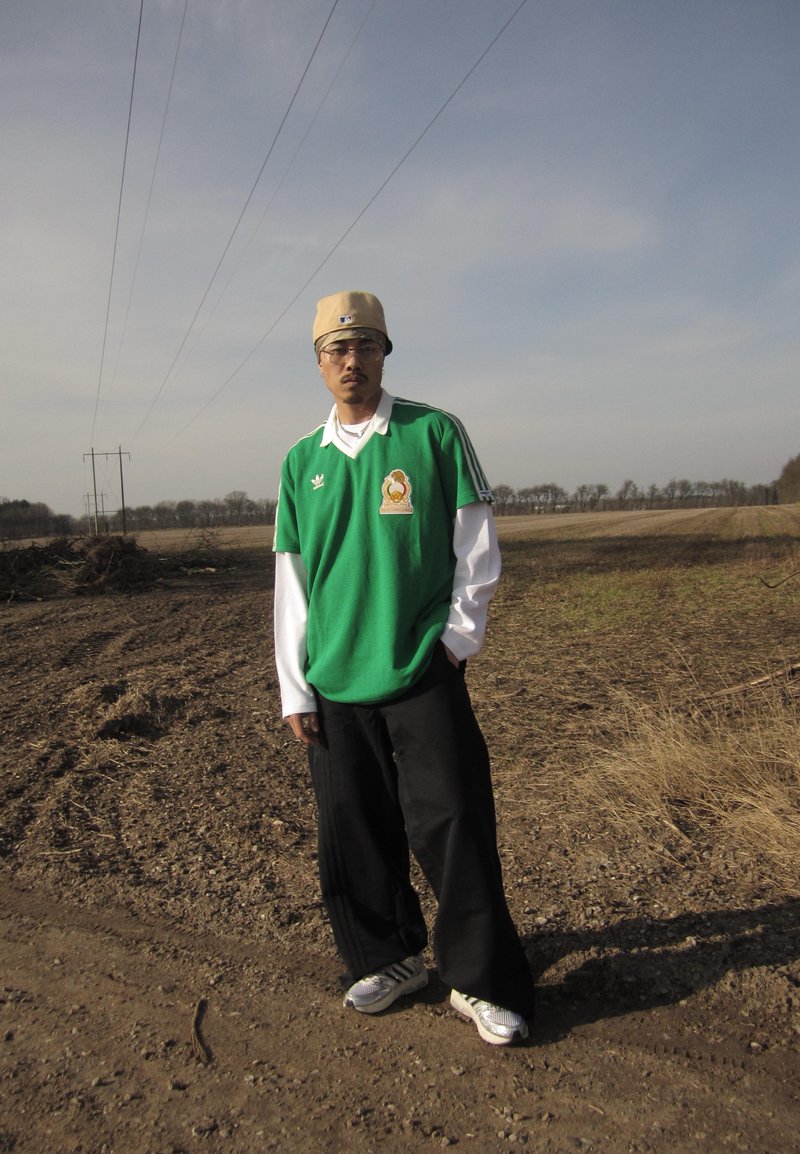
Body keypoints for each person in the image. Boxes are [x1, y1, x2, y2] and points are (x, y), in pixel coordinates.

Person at [272, 290, 535, 1046]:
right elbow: (292, 586)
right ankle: (388, 958)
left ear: (386, 352)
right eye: (335, 350)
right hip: (333, 679)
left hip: (421, 668)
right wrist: (296, 686)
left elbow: (476, 552)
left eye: (365, 347)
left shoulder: (434, 433)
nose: (351, 362)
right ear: (319, 362)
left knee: (452, 820)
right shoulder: (300, 462)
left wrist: (454, 643)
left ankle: (481, 979)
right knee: (352, 824)